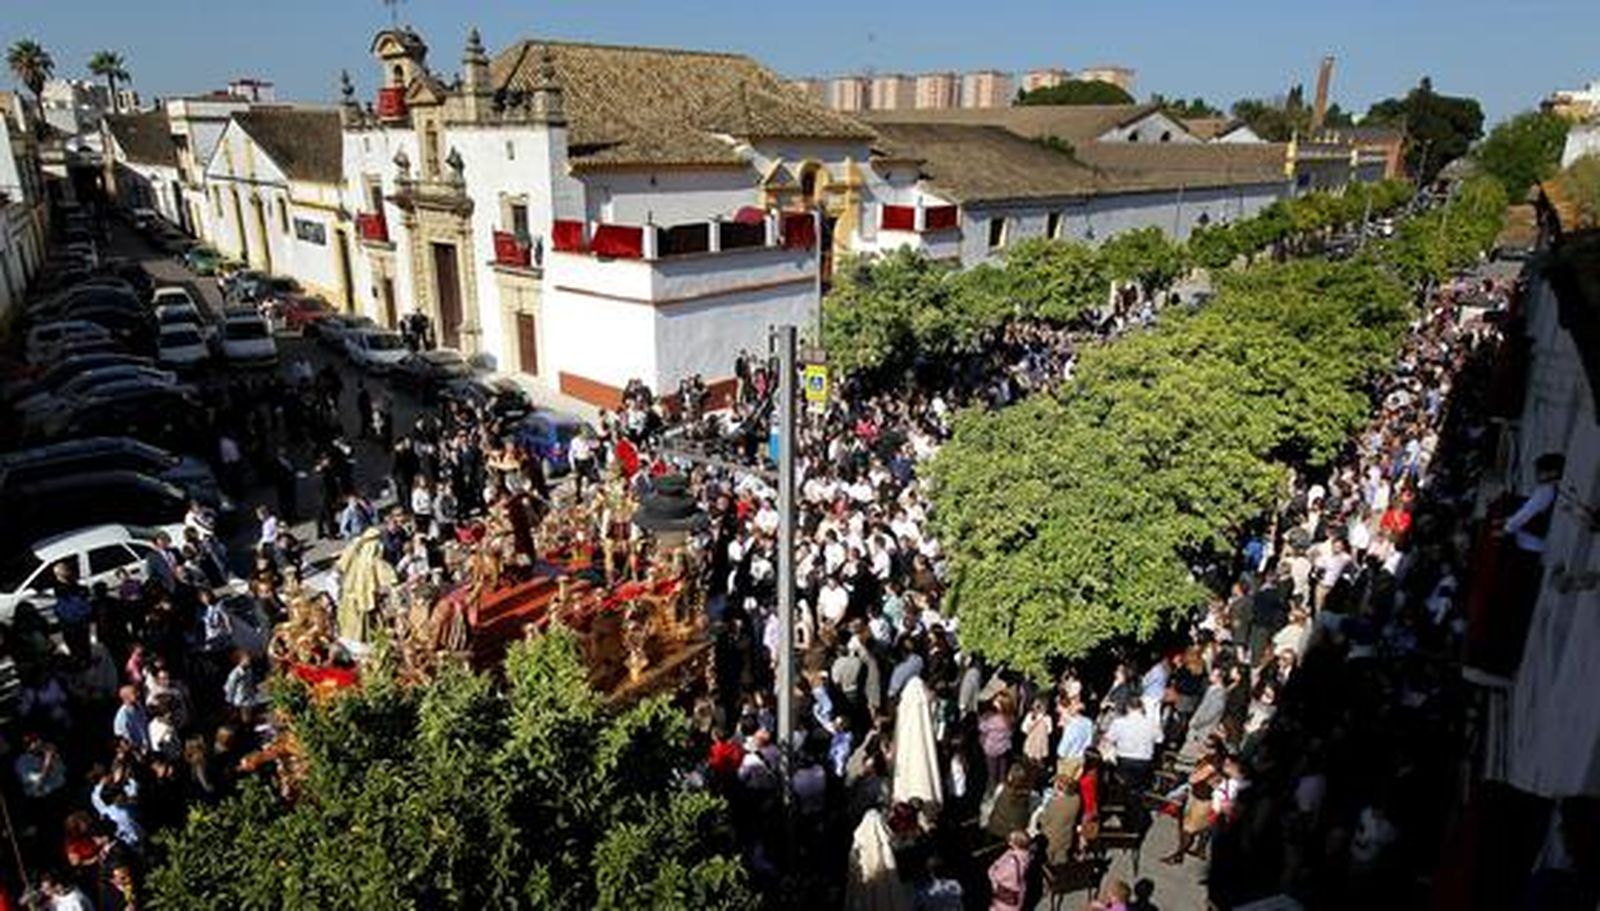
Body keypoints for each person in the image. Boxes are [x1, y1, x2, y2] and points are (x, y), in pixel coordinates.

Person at [1038, 774, 1083, 866]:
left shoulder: (1054, 804)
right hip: (1066, 839)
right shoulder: (1076, 800)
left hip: (1049, 839)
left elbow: (1042, 821)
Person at [986, 829, 1031, 911]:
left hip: (1006, 893)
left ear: (1017, 843)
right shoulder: (1024, 855)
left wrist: (992, 870)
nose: (1008, 841)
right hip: (1017, 892)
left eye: (1011, 839)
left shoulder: (1012, 861)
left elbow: (999, 875)